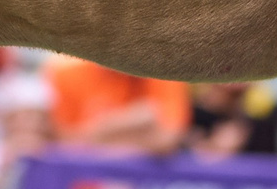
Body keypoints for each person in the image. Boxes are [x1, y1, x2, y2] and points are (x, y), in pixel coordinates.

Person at [44, 55, 190, 153]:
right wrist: (136, 121)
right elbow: (66, 142)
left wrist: (95, 139)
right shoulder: (66, 75)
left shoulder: (163, 74)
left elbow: (168, 138)